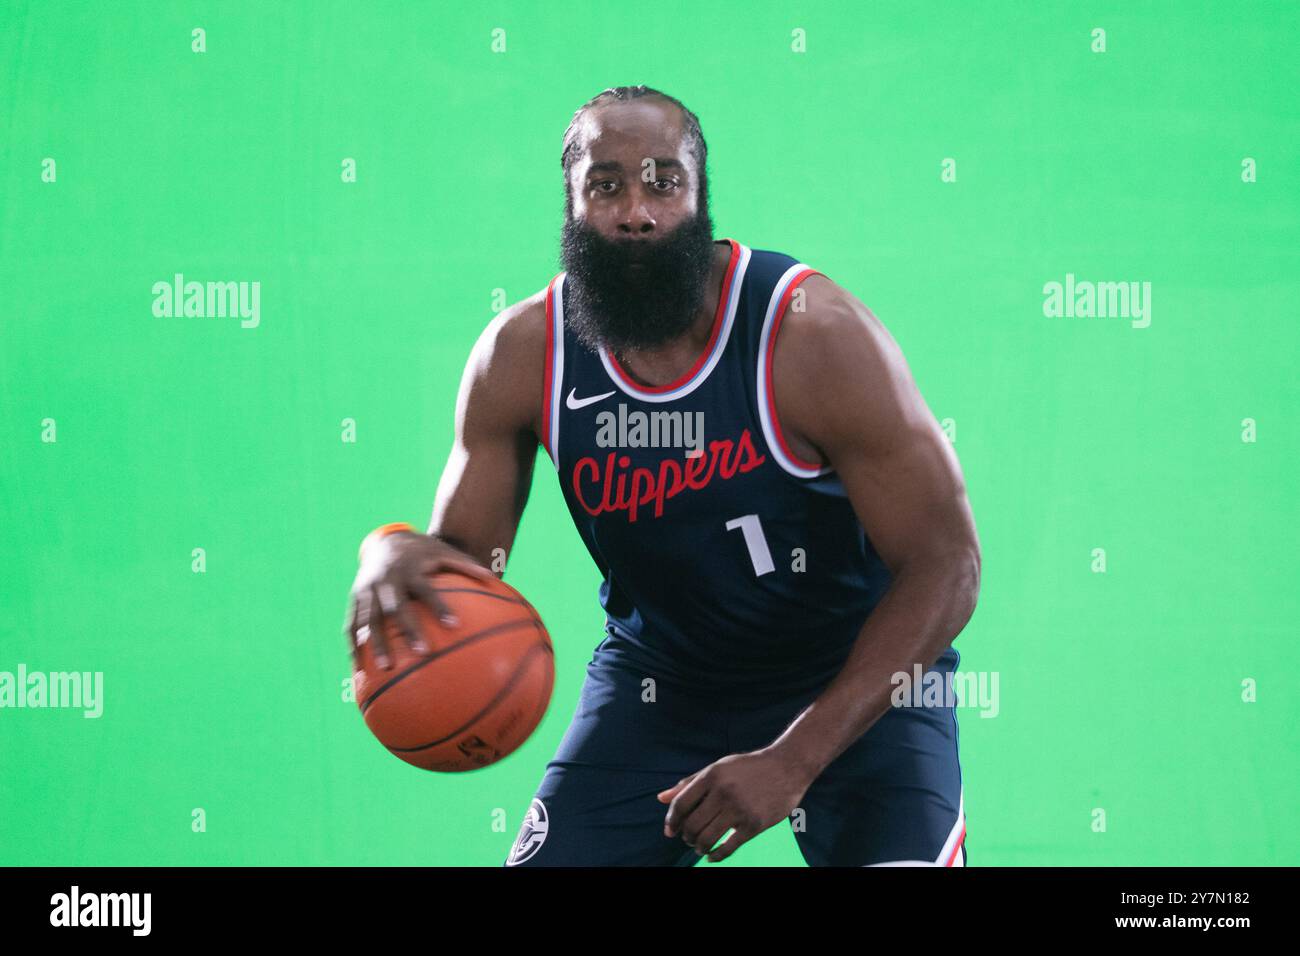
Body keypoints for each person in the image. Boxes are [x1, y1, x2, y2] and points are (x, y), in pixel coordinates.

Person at [345, 85, 981, 866]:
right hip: (664, 684)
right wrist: (388, 547)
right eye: (606, 185)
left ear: (700, 197)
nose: (637, 212)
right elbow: (464, 567)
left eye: (663, 181)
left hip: (854, 677)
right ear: (572, 205)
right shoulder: (522, 357)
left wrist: (792, 758)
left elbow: (948, 566)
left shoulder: (811, 335)